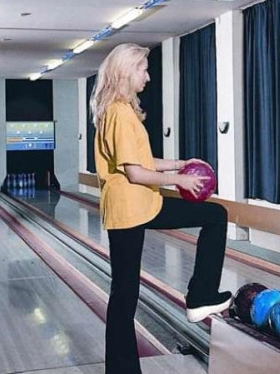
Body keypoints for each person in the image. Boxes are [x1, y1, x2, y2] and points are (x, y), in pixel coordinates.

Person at [90, 43, 232, 374]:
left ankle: (121, 370)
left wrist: (181, 164)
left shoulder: (117, 110)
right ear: (126, 71)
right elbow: (135, 173)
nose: (148, 77)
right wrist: (180, 180)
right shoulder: (120, 113)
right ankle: (200, 296)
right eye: (143, 69)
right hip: (134, 206)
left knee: (124, 294)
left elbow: (142, 161)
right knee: (215, 216)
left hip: (132, 207)